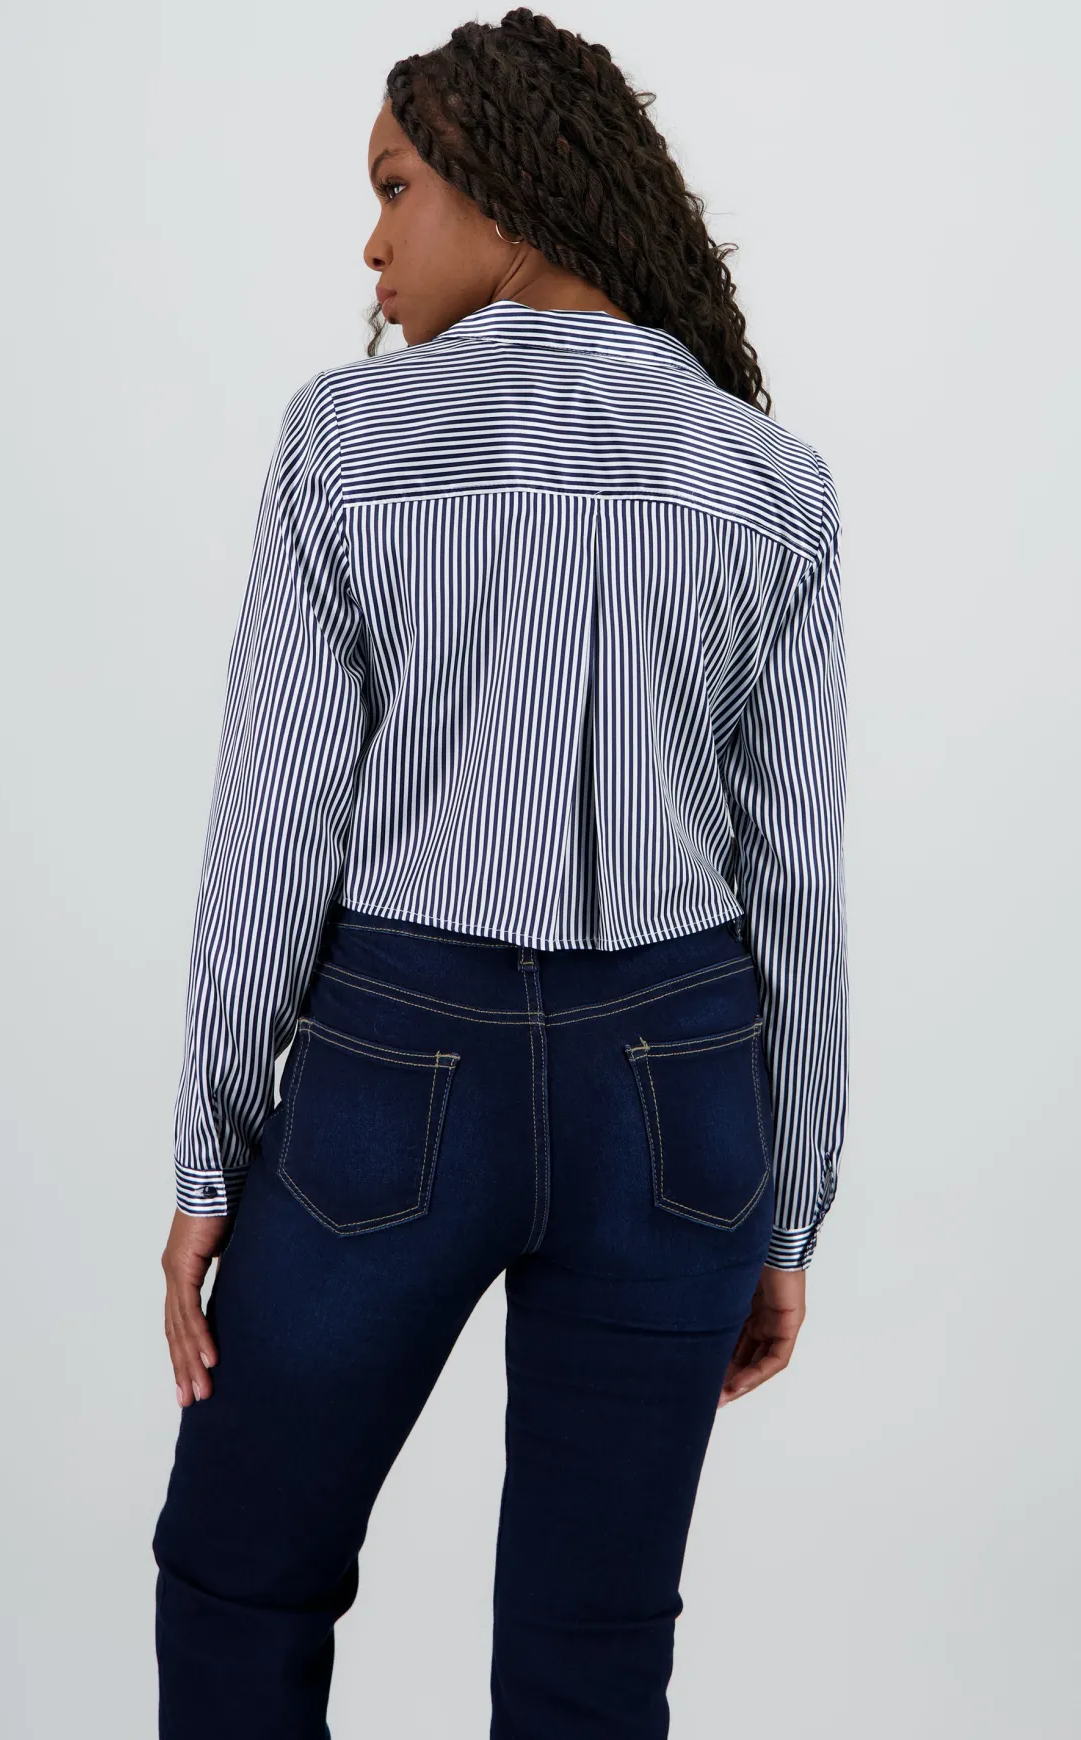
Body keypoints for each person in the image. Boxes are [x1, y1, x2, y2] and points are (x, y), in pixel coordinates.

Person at [152, 9, 848, 1736]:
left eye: (394, 187)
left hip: (397, 1077)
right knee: (593, 1653)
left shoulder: (347, 441)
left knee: (240, 1575)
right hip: (682, 1102)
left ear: (506, 185)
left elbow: (273, 831)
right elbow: (796, 888)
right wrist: (786, 1203)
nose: (371, 243)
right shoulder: (772, 480)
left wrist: (211, 1154)